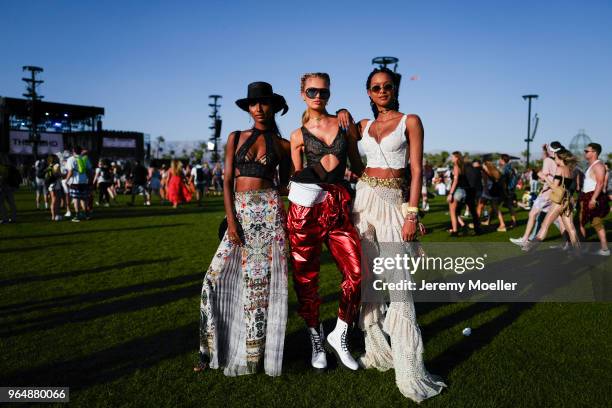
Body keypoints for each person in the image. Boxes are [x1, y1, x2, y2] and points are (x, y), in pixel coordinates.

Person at [339, 67, 445, 402]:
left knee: (399, 287)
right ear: (368, 93)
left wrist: (411, 213)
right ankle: (377, 352)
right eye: (375, 87)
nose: (382, 91)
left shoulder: (410, 120)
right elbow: (354, 161)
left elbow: (416, 170)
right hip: (363, 198)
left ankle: (410, 371)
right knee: (367, 279)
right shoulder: (363, 126)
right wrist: (342, 116)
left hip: (393, 203)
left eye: (387, 86)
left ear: (394, 89)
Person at [196, 81, 291, 376]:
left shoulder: (282, 144)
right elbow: (227, 181)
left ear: (273, 107)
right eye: (254, 104)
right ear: (248, 108)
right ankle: (208, 349)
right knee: (212, 278)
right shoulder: (235, 137)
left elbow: (285, 185)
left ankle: (254, 357)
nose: (259, 109)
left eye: (264, 103)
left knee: (258, 290)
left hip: (270, 217)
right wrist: (232, 220)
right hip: (240, 214)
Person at [288, 72, 364, 372]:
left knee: (357, 272)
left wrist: (390, 187)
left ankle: (340, 333)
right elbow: (296, 176)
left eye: (323, 91)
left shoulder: (344, 123)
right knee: (306, 278)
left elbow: (357, 165)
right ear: (302, 94)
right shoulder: (296, 136)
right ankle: (315, 336)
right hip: (306, 208)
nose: (318, 96)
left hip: (340, 205)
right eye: (312, 91)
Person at [523, 149, 581, 252]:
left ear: (560, 158)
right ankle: (578, 252)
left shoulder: (560, 169)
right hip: (568, 200)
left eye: (555, 157)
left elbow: (555, 187)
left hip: (559, 202)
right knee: (571, 229)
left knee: (544, 225)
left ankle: (530, 248)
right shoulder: (571, 169)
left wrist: (544, 177)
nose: (554, 159)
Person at [510, 142, 564, 246]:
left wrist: (541, 176)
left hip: (547, 193)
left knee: (532, 214)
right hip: (555, 194)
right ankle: (570, 243)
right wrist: (544, 150)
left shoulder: (548, 160)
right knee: (558, 220)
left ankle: (525, 239)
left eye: (548, 149)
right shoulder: (560, 161)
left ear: (551, 150)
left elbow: (546, 176)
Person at [578, 143, 609, 256]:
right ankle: (601, 248)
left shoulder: (598, 165)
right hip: (586, 196)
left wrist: (593, 199)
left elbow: (600, 183)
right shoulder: (592, 165)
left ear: (594, 152)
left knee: (589, 222)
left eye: (587, 151)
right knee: (590, 222)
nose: (585, 152)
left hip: (591, 197)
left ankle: (602, 249)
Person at [64, 146, 92, 222]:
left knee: (76, 199)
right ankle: (86, 214)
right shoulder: (85, 158)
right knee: (84, 199)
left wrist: (66, 180)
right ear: (81, 151)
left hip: (75, 182)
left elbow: (70, 171)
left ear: (73, 151)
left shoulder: (71, 159)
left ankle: (77, 215)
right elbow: (89, 170)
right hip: (84, 181)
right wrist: (90, 180)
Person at [447, 151, 469, 235]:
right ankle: (463, 226)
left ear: (457, 158)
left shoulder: (456, 167)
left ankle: (455, 230)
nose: (451, 158)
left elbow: (455, 181)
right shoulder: (463, 167)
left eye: (452, 157)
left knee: (452, 212)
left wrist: (451, 193)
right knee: (456, 212)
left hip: (457, 191)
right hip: (463, 191)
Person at [499, 154, 518, 229]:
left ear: (503, 160)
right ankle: (514, 222)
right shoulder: (511, 167)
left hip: (506, 190)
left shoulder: (505, 168)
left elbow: (503, 180)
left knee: (495, 205)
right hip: (511, 189)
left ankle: (511, 223)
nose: (499, 160)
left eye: (500, 159)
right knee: (509, 206)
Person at [0, 153, 19, 224]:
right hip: (10, 187)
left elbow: (2, 178)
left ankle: (5, 219)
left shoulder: (2, 167)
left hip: (3, 187)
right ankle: (14, 218)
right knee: (11, 203)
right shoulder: (11, 167)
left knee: (1, 203)